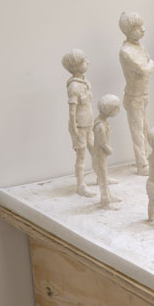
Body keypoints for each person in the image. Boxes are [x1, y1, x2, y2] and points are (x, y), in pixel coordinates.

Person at [119, 12, 154, 174]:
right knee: (137, 131)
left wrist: (148, 65)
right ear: (128, 31)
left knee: (145, 128)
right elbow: (145, 69)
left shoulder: (139, 47)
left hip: (143, 94)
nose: (143, 29)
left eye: (142, 26)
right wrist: (150, 64)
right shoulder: (126, 51)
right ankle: (142, 164)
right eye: (138, 27)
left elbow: (147, 66)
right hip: (134, 96)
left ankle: (147, 158)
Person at [61, 49, 95, 197]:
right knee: (81, 156)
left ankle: (101, 176)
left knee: (95, 151)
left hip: (88, 123)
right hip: (80, 125)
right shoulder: (74, 86)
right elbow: (72, 110)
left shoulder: (84, 82)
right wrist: (73, 128)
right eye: (84, 61)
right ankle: (81, 185)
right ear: (76, 66)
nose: (87, 62)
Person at [92, 94, 122, 209]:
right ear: (109, 110)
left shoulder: (102, 122)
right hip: (99, 155)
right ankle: (105, 201)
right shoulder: (100, 126)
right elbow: (102, 142)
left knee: (104, 176)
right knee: (103, 178)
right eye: (117, 108)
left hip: (101, 155)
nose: (118, 111)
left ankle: (109, 196)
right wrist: (109, 150)